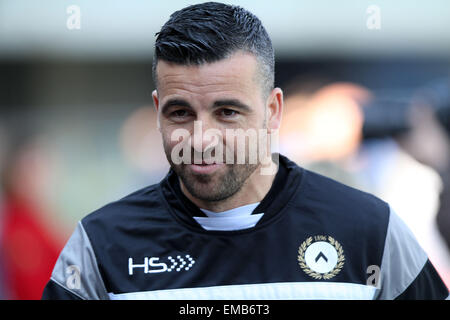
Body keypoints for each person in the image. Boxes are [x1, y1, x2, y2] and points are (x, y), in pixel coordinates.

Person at [42, 2, 449, 300]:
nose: (201, 138)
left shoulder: (370, 230)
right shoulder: (100, 246)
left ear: (273, 111)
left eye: (227, 112)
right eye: (180, 112)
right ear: (157, 111)